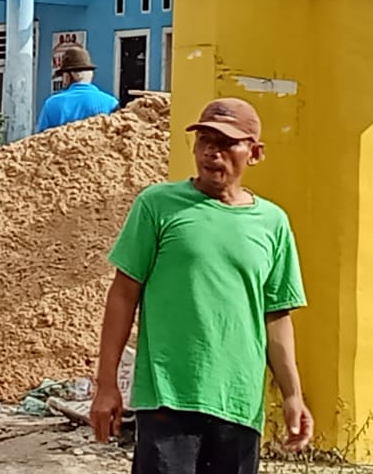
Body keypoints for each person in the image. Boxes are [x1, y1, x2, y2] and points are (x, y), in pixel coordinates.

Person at [89, 98, 313, 471]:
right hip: (168, 400)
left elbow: (276, 316)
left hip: (239, 402)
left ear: (254, 153)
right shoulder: (158, 206)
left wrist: (293, 395)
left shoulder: (272, 223)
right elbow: (123, 295)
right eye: (205, 140)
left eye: (227, 143)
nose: (212, 152)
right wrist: (107, 384)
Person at [36, 46, 118, 132]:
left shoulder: (52, 104)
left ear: (67, 76)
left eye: (63, 76)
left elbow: (40, 141)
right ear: (91, 74)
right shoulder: (112, 103)